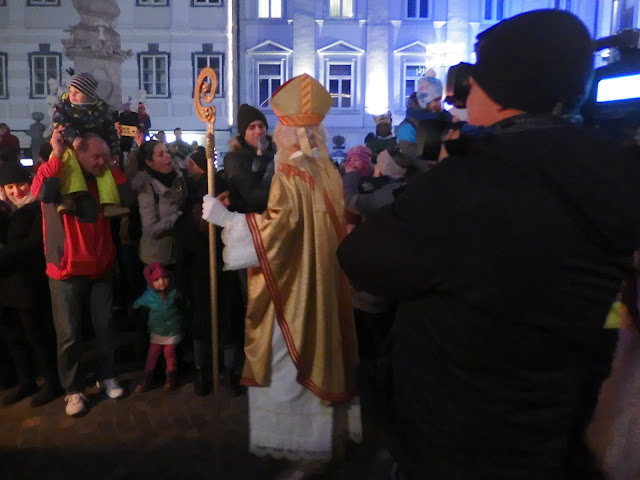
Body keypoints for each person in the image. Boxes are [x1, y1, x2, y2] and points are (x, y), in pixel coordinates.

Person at [337, 9, 640, 480]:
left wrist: (440, 172)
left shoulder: (470, 183)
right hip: (558, 418)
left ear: (502, 90)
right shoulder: (617, 171)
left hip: (457, 429)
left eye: (474, 81)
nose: (465, 93)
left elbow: (362, 259)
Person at [202, 74, 360, 479]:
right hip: (321, 282)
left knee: (289, 366)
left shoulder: (291, 174)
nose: (273, 132)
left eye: (278, 125)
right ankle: (329, 442)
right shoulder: (324, 167)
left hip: (294, 291)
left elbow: (275, 235)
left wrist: (226, 220)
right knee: (324, 351)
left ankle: (307, 454)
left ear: (292, 129)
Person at [31, 127, 133, 417]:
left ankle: (107, 374)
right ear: (79, 153)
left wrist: (111, 164)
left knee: (104, 328)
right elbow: (44, 192)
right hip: (65, 269)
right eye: (96, 156)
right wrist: (57, 153)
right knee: (69, 335)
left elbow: (126, 197)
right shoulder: (56, 172)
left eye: (104, 156)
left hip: (100, 266)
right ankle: (72, 390)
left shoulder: (103, 180)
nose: (101, 161)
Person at [0, 162, 60, 407]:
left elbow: (35, 244)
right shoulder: (5, 211)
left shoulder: (38, 208)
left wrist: (4, 255)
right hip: (5, 286)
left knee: (37, 336)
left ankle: (53, 381)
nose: (16, 191)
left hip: (28, 285)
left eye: (20, 184)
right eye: (10, 186)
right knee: (13, 337)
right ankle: (26, 380)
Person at [51, 72, 127, 221]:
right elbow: (60, 123)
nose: (72, 95)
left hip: (95, 147)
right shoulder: (65, 108)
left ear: (88, 93)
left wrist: (115, 151)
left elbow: (110, 131)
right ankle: (69, 197)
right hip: (72, 146)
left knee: (103, 165)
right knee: (69, 162)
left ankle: (110, 202)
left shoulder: (102, 109)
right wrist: (72, 137)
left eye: (77, 92)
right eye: (71, 91)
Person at [130, 140, 187, 267]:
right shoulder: (146, 189)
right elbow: (151, 229)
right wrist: (178, 215)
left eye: (167, 151)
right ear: (149, 162)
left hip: (179, 253)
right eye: (160, 154)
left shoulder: (178, 178)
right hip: (157, 260)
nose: (167, 156)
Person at [133, 262, 183, 393]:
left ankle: (171, 378)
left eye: (164, 277)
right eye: (156, 279)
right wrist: (138, 312)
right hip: (157, 332)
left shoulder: (174, 292)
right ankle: (147, 379)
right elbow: (136, 305)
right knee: (152, 355)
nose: (161, 282)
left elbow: (184, 304)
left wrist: (182, 303)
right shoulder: (148, 296)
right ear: (150, 282)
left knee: (169, 354)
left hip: (172, 331)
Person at [396, 73, 452, 172]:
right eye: (435, 100)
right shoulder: (407, 128)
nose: (439, 104)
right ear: (424, 101)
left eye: (440, 99)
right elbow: (414, 161)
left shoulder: (446, 118)